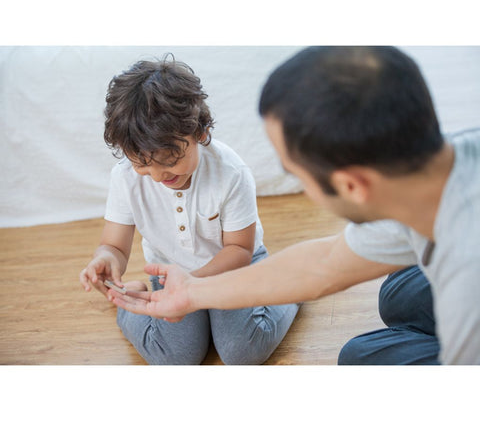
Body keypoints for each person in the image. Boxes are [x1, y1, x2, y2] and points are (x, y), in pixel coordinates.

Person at [108, 46, 480, 365]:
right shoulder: (434, 167)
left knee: (362, 358)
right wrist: (191, 293)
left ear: (352, 185)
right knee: (397, 294)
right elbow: (325, 265)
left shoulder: (465, 286)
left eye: (297, 175)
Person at [79, 57, 299, 365]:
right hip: (170, 275)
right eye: (143, 164)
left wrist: (195, 284)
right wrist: (106, 258)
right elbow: (114, 245)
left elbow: (239, 249)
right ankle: (128, 304)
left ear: (200, 131)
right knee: (177, 358)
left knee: (241, 352)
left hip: (232, 267)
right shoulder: (125, 178)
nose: (157, 175)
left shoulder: (230, 172)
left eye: (169, 160)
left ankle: (289, 288)